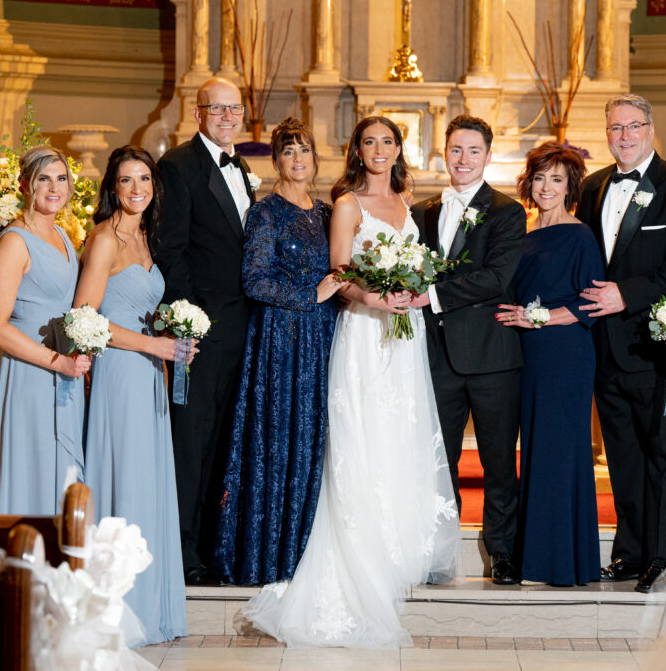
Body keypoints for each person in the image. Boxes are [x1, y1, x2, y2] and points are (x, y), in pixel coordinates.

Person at [243, 116, 459, 648]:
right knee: (361, 433)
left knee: (399, 431)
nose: (379, 149)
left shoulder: (410, 204)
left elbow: (419, 265)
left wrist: (412, 291)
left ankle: (398, 544)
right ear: (356, 152)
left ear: (398, 149)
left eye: (388, 141)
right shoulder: (345, 204)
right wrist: (374, 297)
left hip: (404, 336)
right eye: (370, 142)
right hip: (365, 333)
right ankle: (360, 553)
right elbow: (338, 270)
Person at [575, 94, 666, 593]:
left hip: (654, 346)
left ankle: (661, 555)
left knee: (660, 454)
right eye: (615, 128)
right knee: (622, 456)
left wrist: (625, 295)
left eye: (634, 127)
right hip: (601, 348)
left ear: (652, 129)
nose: (624, 136)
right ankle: (628, 553)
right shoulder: (591, 187)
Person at [213, 118, 342, 585]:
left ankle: (311, 551)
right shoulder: (265, 213)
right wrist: (311, 297)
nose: (297, 160)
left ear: (315, 158)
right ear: (276, 161)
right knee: (281, 438)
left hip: (325, 336)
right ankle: (272, 555)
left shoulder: (329, 213)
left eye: (304, 151)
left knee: (319, 440)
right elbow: (254, 281)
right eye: (288, 152)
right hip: (281, 340)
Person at [73, 145, 188, 646]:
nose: (138, 189)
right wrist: (153, 343)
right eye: (127, 180)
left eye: (145, 179)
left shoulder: (144, 237)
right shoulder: (104, 239)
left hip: (149, 375)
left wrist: (173, 334)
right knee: (127, 477)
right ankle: (120, 609)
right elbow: (84, 318)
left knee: (148, 478)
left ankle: (150, 606)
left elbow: (135, 306)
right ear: (112, 188)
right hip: (121, 375)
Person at [409, 115, 526, 585]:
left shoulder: (506, 211)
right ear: (444, 153)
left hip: (493, 357)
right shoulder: (421, 211)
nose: (463, 159)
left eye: (473, 151)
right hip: (436, 356)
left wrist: (431, 295)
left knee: (499, 461)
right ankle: (439, 552)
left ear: (487, 156)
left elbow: (497, 277)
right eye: (455, 150)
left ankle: (501, 552)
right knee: (439, 460)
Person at [155, 77, 257, 584]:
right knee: (191, 441)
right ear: (197, 114)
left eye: (233, 108)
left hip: (243, 328)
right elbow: (170, 248)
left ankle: (214, 545)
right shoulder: (177, 166)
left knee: (223, 441)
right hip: (201, 330)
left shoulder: (243, 167)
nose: (225, 116)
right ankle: (184, 551)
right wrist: (186, 320)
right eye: (215, 109)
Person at [494, 143, 604, 586]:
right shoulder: (521, 232)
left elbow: (591, 305)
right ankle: (535, 556)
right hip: (528, 354)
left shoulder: (580, 235)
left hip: (564, 353)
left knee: (560, 450)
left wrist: (536, 318)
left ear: (570, 186)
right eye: (540, 178)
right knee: (535, 449)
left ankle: (562, 562)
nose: (546, 187)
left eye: (556, 179)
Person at [0, 146, 91, 514]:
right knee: (29, 469)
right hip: (26, 371)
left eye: (61, 178)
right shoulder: (14, 242)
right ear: (26, 185)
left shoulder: (61, 234)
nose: (54, 187)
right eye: (44, 178)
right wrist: (56, 360)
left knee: (59, 473)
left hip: (62, 370)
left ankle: (58, 563)